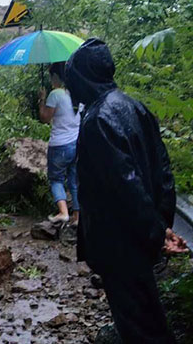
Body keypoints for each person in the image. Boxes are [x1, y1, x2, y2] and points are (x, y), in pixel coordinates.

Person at [65, 38, 188, 344]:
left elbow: (126, 185)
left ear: (82, 79)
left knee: (140, 326)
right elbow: (163, 172)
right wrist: (162, 225)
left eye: (72, 80)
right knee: (147, 315)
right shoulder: (135, 107)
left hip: (119, 241)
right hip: (139, 236)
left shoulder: (97, 121)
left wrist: (156, 232)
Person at [38, 62, 81, 225]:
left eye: (51, 76)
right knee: (74, 180)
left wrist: (42, 100)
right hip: (76, 142)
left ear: (56, 77)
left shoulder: (56, 94)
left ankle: (63, 212)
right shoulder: (77, 93)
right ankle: (77, 216)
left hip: (60, 145)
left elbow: (45, 118)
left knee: (56, 179)